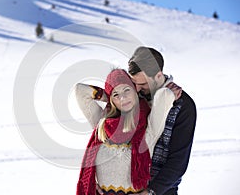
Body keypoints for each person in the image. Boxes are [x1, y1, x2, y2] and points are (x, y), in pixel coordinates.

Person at [76, 69, 162, 195]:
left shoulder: (148, 123)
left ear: (135, 90)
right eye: (116, 94)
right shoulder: (102, 125)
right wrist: (109, 94)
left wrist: (115, 94)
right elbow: (80, 91)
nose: (122, 97)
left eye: (127, 90)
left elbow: (165, 96)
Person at [128, 46, 197, 195]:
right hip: (124, 188)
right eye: (134, 82)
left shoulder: (183, 106)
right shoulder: (130, 98)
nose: (137, 89)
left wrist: (151, 191)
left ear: (159, 75)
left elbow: (178, 161)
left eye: (143, 84)